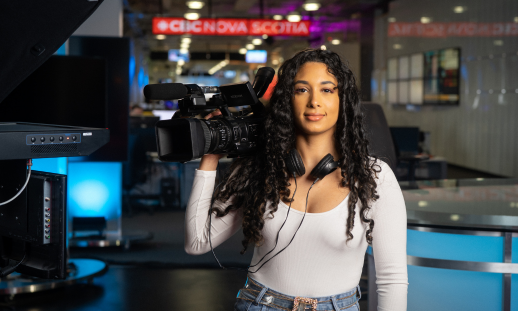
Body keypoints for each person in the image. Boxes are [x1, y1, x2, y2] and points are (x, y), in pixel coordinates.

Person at [185, 48, 408, 311]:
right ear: (286, 100)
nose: (314, 101)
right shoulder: (259, 166)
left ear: (342, 100)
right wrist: (210, 158)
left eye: (327, 90)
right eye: (302, 90)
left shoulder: (373, 177)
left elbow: (392, 278)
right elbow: (197, 242)